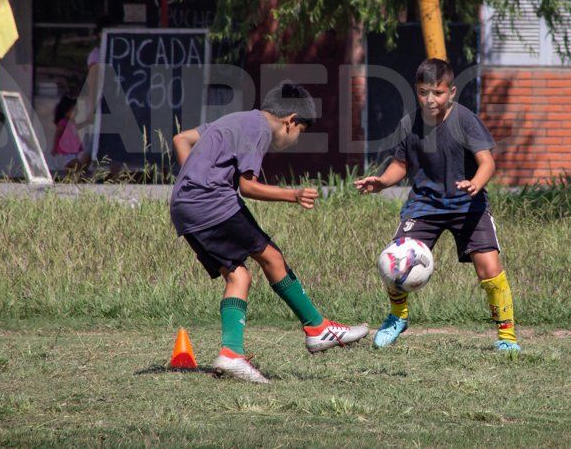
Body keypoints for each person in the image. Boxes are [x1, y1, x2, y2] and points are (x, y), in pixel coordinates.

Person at [171, 81, 368, 383]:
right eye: (301, 131)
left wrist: (194, 176)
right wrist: (294, 194)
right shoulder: (259, 129)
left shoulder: (234, 120)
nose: (297, 139)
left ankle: (231, 353)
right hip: (211, 202)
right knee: (272, 257)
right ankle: (317, 328)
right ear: (291, 121)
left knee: (239, 275)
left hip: (185, 206)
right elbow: (247, 187)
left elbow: (181, 138)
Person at [355, 58, 520, 352]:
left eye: (438, 93)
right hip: (425, 204)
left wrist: (476, 183)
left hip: (467, 204)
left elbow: (487, 162)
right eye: (423, 92)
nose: (430, 99)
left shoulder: (465, 120)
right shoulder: (410, 123)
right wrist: (382, 181)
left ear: (452, 92)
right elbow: (400, 164)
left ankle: (506, 337)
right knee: (393, 260)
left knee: (489, 267)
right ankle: (398, 317)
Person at [51, 94, 86, 173]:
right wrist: (55, 148)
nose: (77, 112)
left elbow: (77, 127)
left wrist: (86, 122)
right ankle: (73, 178)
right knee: (76, 165)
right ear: (66, 111)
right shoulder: (63, 123)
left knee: (72, 167)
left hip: (72, 150)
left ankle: (69, 180)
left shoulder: (72, 122)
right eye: (74, 110)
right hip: (66, 150)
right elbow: (57, 135)